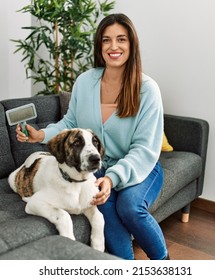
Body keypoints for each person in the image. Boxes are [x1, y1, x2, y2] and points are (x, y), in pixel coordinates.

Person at [15, 13, 168, 260]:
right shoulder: (85, 82)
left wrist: (112, 178)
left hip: (141, 167)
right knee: (102, 205)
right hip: (97, 171)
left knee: (129, 207)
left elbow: (144, 150)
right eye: (106, 40)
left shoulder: (147, 89)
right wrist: (41, 135)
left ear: (132, 45)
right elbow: (71, 123)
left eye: (121, 39)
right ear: (99, 46)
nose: (113, 47)